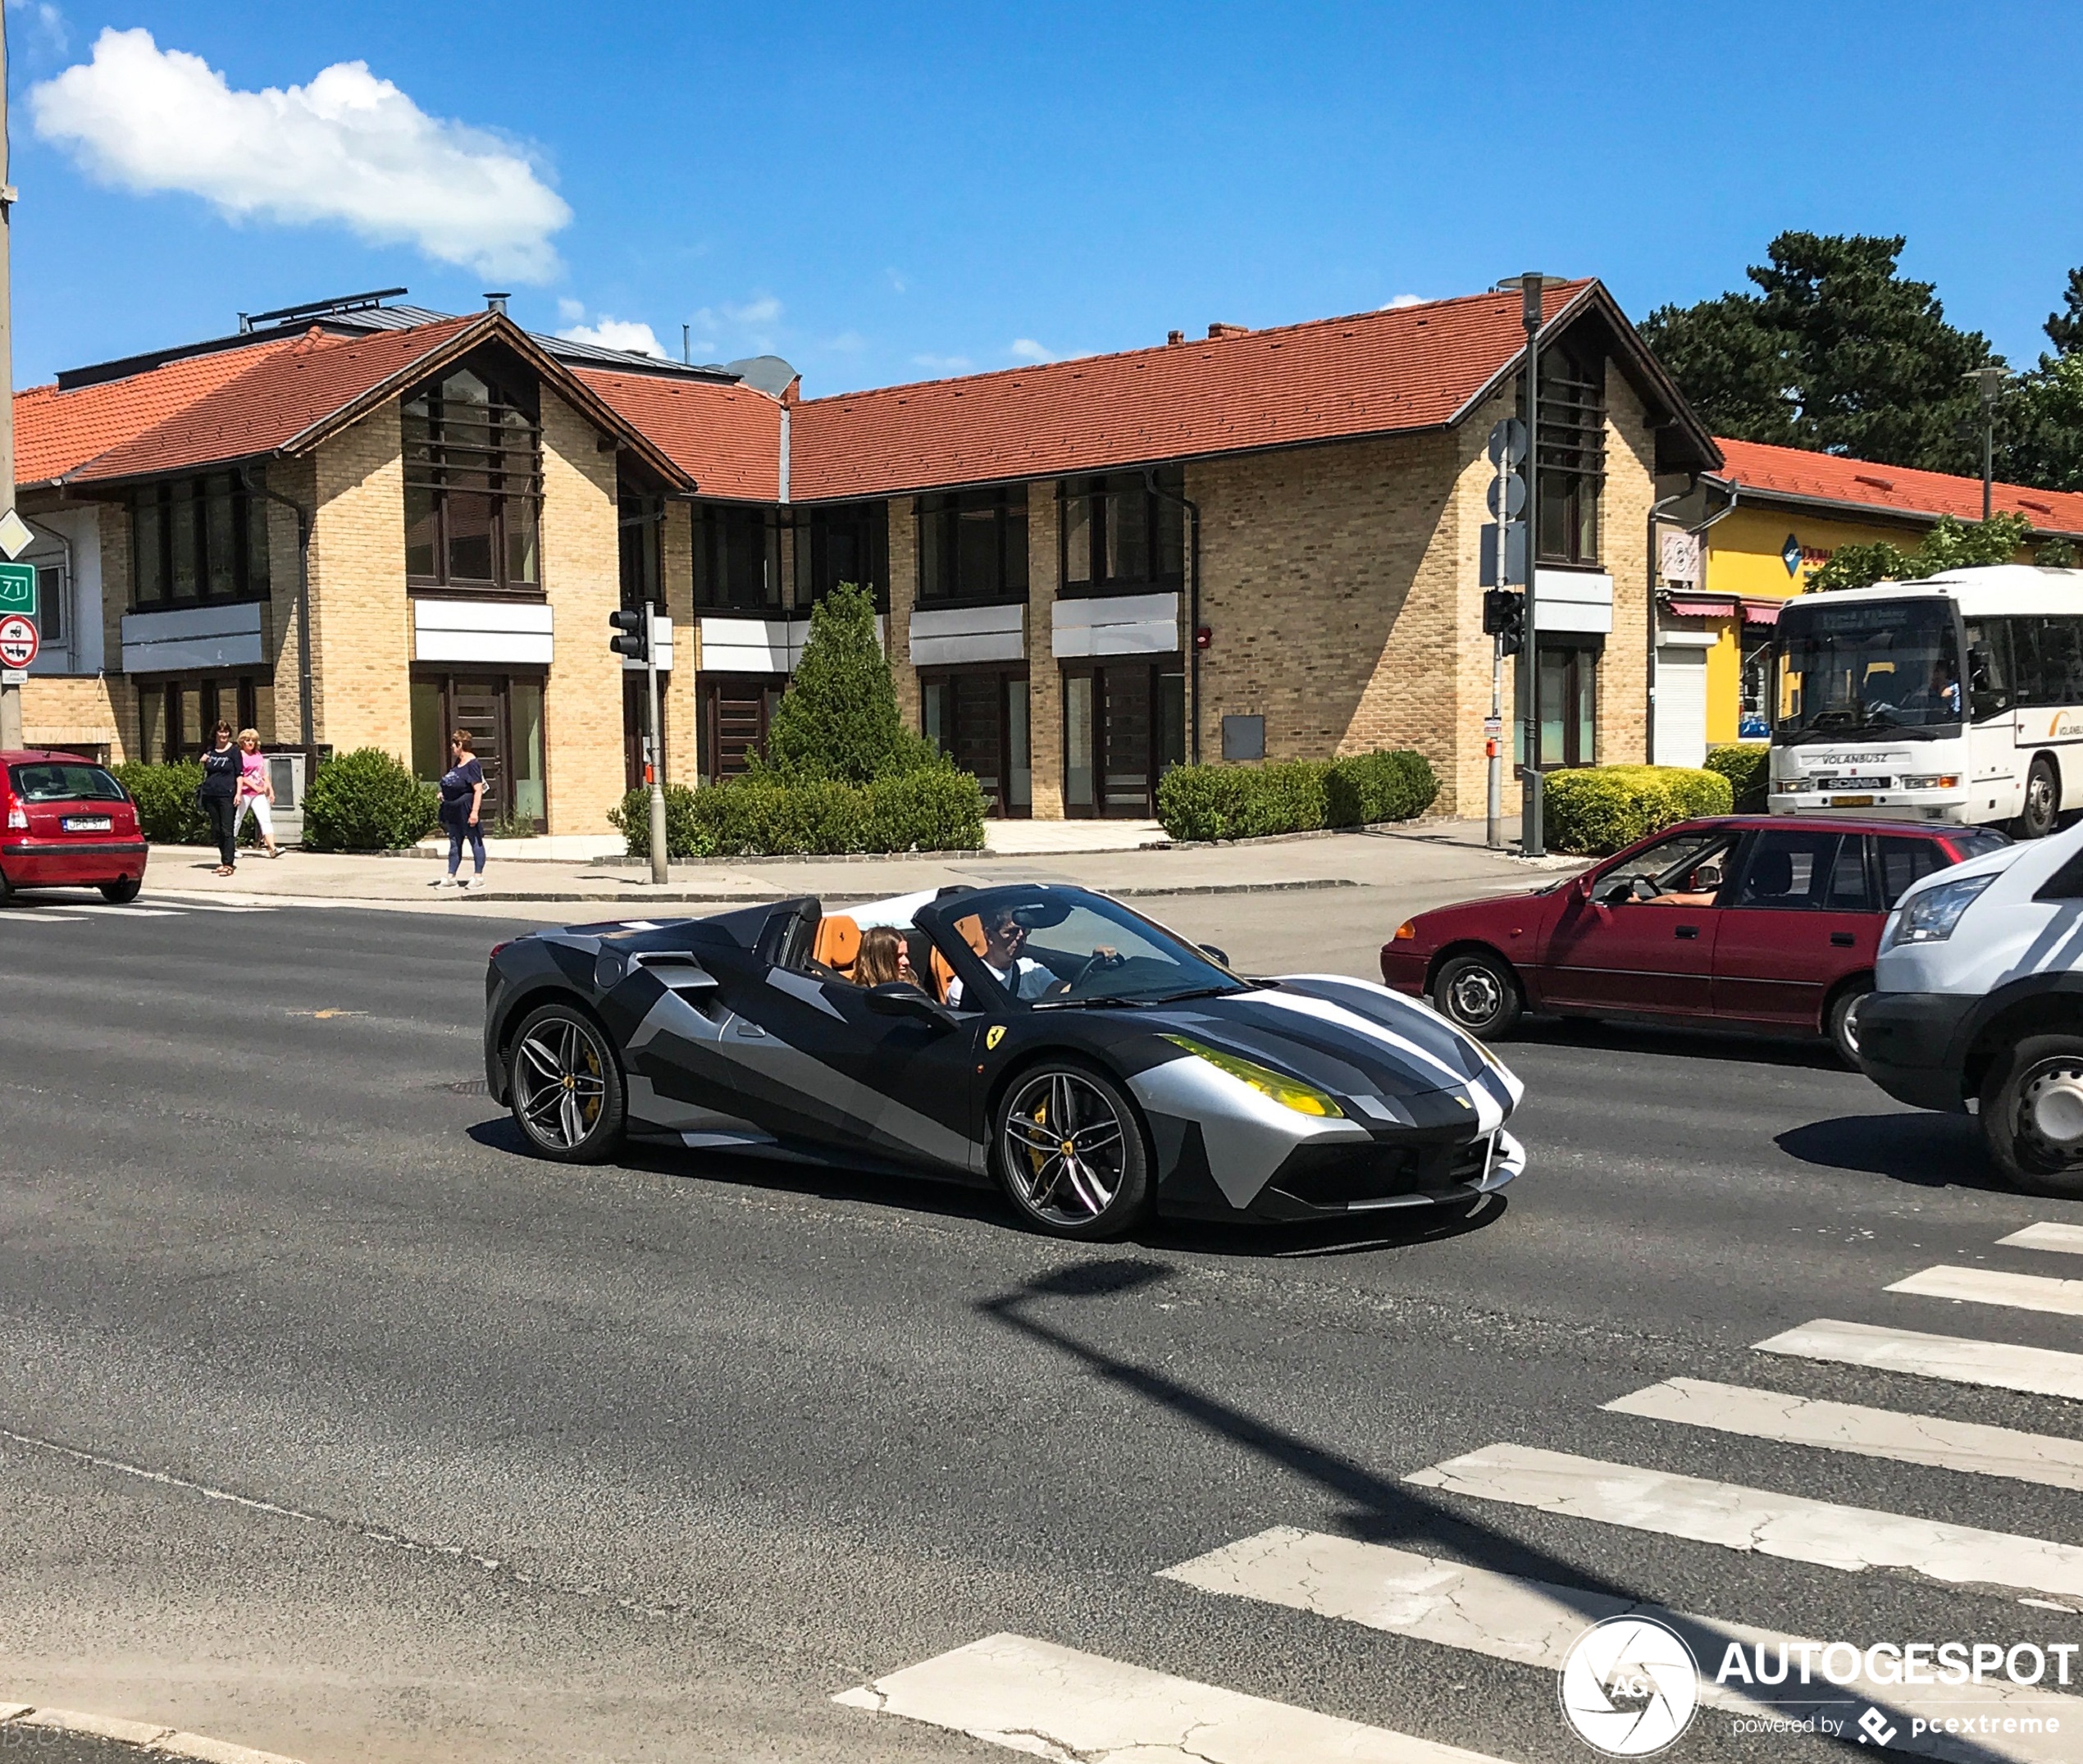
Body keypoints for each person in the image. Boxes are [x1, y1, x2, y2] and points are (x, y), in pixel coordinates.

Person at [946, 906, 1057, 1006]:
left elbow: (1063, 991)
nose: (1020, 937)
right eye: (1012, 932)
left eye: (1024, 930)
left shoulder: (1032, 969)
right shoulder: (967, 983)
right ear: (989, 935)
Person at [432, 731, 486, 891]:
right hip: (453, 809)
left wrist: (474, 812)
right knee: (455, 843)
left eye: (454, 744)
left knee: (474, 840)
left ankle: (478, 877)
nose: (451, 747)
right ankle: (451, 877)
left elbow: (478, 789)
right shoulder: (459, 762)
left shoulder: (472, 764)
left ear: (460, 745)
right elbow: (456, 783)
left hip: (466, 808)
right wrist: (444, 793)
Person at [198, 722, 241, 877]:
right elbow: (206, 769)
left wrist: (238, 793)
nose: (223, 735)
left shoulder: (234, 751)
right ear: (215, 733)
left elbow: (239, 774)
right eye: (220, 732)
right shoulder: (210, 750)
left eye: (226, 732)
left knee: (227, 829)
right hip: (210, 794)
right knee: (217, 830)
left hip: (227, 794)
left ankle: (228, 864)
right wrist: (203, 760)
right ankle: (224, 860)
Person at [230, 728, 280, 859]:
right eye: (247, 740)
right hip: (244, 792)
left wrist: (270, 788)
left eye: (253, 740)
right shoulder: (239, 755)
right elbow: (240, 775)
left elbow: (263, 773)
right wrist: (254, 786)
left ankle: (273, 848)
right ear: (242, 742)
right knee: (237, 819)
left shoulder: (258, 755)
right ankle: (230, 847)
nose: (250, 743)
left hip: (258, 794)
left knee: (265, 819)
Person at [855, 926, 919, 989]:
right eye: (898, 956)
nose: (906, 962)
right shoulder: (861, 997)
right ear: (880, 960)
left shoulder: (912, 988)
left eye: (906, 955)